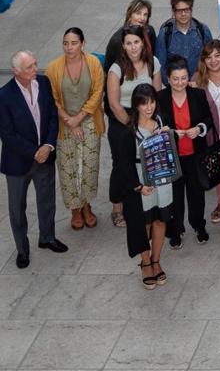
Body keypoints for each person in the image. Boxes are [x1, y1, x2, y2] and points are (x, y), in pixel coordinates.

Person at [1, 51, 65, 269]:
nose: (35, 69)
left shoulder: (44, 83)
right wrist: (34, 151)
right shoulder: (4, 95)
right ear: (16, 71)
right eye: (29, 67)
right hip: (18, 162)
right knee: (17, 208)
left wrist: (47, 146)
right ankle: (22, 250)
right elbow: (7, 134)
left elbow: (52, 117)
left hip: (45, 156)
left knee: (47, 200)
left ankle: (47, 237)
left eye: (35, 64)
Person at [46, 28, 105, 230]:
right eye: (65, 43)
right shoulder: (53, 68)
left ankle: (87, 206)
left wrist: (79, 118)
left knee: (89, 166)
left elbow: (98, 92)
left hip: (88, 119)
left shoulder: (94, 63)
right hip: (65, 124)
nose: (69, 47)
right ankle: (74, 209)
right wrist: (68, 119)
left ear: (83, 43)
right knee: (67, 167)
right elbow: (51, 97)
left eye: (73, 43)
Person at [106, 26, 162, 228]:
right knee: (122, 164)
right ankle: (117, 207)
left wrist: (150, 123)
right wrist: (133, 127)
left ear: (143, 43)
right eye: (128, 43)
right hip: (123, 120)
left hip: (146, 116)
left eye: (136, 42)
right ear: (123, 45)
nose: (133, 47)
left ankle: (142, 201)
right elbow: (114, 103)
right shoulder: (116, 69)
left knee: (144, 162)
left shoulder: (153, 63)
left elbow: (156, 95)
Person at [157, 55, 215, 248]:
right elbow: (156, 126)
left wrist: (199, 129)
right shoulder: (161, 98)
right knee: (175, 196)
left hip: (195, 155)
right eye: (175, 79)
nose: (180, 82)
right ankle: (176, 230)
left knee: (196, 193)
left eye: (183, 78)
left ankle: (199, 225)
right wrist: (170, 133)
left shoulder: (198, 94)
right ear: (167, 78)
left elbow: (208, 120)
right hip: (173, 157)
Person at [123, 84, 172, 289]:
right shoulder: (129, 130)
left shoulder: (161, 120)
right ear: (136, 105)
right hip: (142, 180)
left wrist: (169, 135)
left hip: (162, 178)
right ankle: (145, 262)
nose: (149, 107)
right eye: (144, 103)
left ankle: (156, 259)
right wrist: (138, 186)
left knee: (161, 220)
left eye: (151, 101)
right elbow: (123, 163)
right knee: (144, 222)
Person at [194, 40, 220, 223]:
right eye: (208, 57)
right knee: (218, 166)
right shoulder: (197, 79)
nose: (213, 60)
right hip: (211, 133)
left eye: (217, 55)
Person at [155, 0, 213, 77]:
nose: (183, 14)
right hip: (175, 85)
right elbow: (161, 65)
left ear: (191, 10)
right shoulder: (165, 34)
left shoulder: (203, 30)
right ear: (173, 12)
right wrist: (170, 84)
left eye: (186, 10)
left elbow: (210, 57)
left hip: (199, 83)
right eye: (179, 11)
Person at [104, 0, 157, 68]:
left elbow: (154, 56)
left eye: (145, 14)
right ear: (129, 15)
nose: (142, 18)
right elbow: (111, 68)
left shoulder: (149, 31)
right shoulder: (117, 40)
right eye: (138, 13)